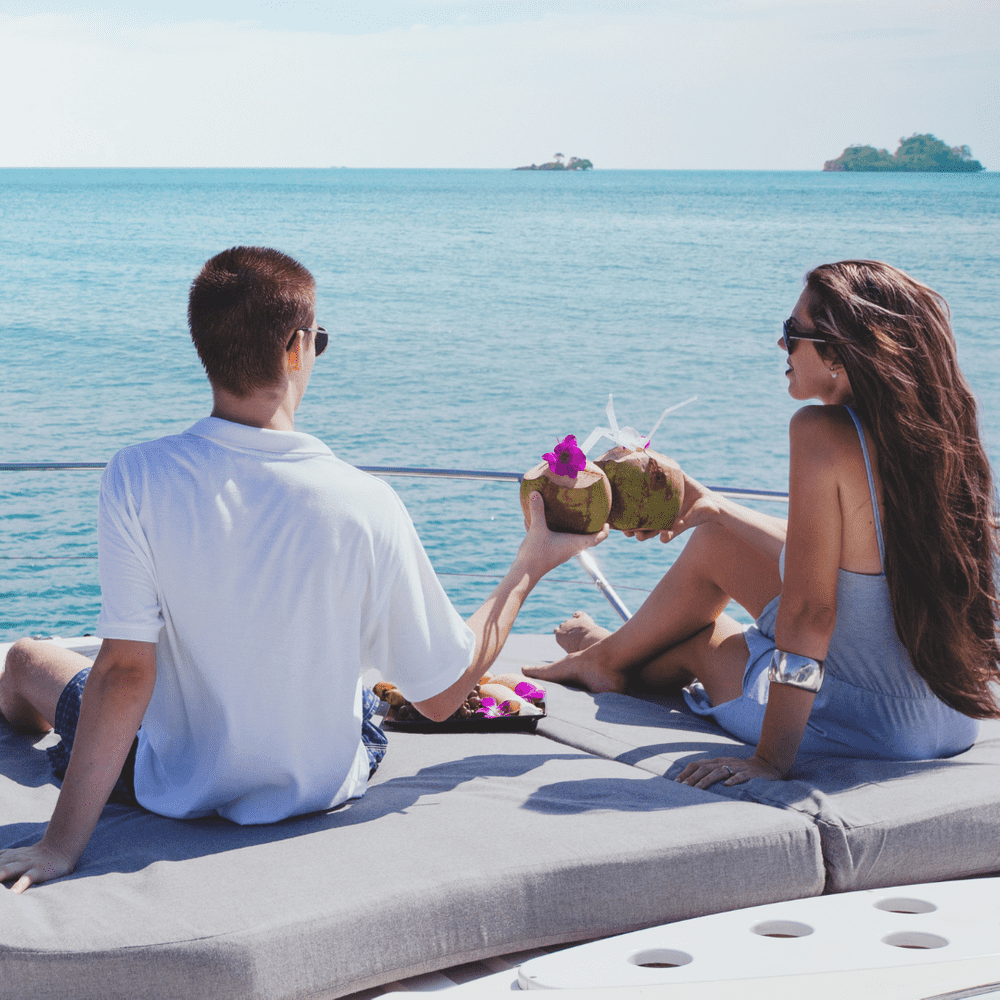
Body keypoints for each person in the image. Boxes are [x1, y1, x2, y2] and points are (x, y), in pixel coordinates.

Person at [0, 246, 608, 893]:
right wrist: (530, 563)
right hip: (324, 785)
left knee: (25, 662)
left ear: (203, 347)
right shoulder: (367, 501)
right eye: (319, 339)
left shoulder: (138, 475)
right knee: (369, 678)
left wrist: (60, 846)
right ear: (296, 347)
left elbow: (125, 672)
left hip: (172, 784)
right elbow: (440, 697)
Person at [526, 260, 999, 788]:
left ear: (840, 353)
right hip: (952, 717)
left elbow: (812, 611)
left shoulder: (820, 431)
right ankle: (610, 652)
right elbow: (863, 558)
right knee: (715, 537)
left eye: (792, 333)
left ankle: (608, 658)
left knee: (703, 639)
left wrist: (771, 760)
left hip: (862, 726)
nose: (783, 347)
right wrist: (719, 508)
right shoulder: (942, 433)